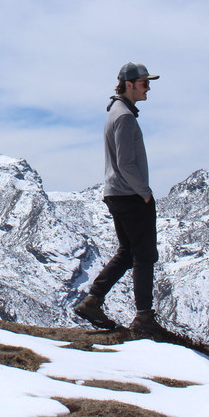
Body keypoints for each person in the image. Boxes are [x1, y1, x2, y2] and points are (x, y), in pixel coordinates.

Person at [73, 61, 164, 335]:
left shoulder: (117, 111)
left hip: (117, 193)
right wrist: (145, 194)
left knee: (127, 253)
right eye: (144, 83)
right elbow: (126, 164)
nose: (148, 88)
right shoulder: (124, 116)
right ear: (129, 84)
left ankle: (93, 300)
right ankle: (144, 318)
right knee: (144, 255)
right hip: (130, 194)